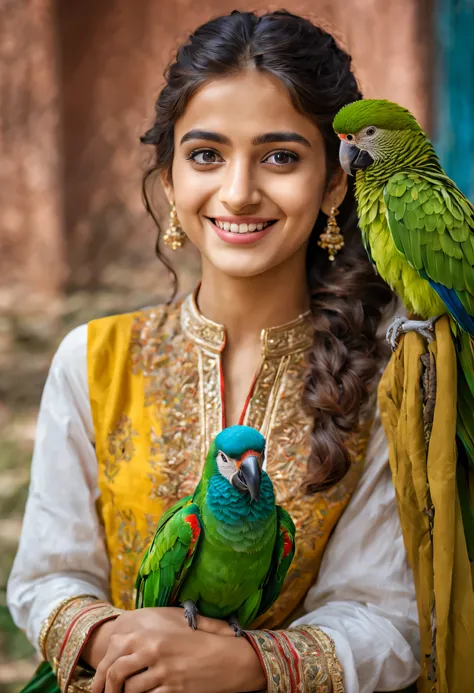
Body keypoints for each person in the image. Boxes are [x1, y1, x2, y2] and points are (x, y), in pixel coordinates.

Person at [7, 10, 420, 693]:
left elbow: (390, 615)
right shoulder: (92, 358)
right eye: (206, 155)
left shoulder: (392, 374)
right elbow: (47, 575)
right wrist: (127, 642)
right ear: (170, 181)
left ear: (335, 183)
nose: (238, 191)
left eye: (280, 156)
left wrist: (248, 663)